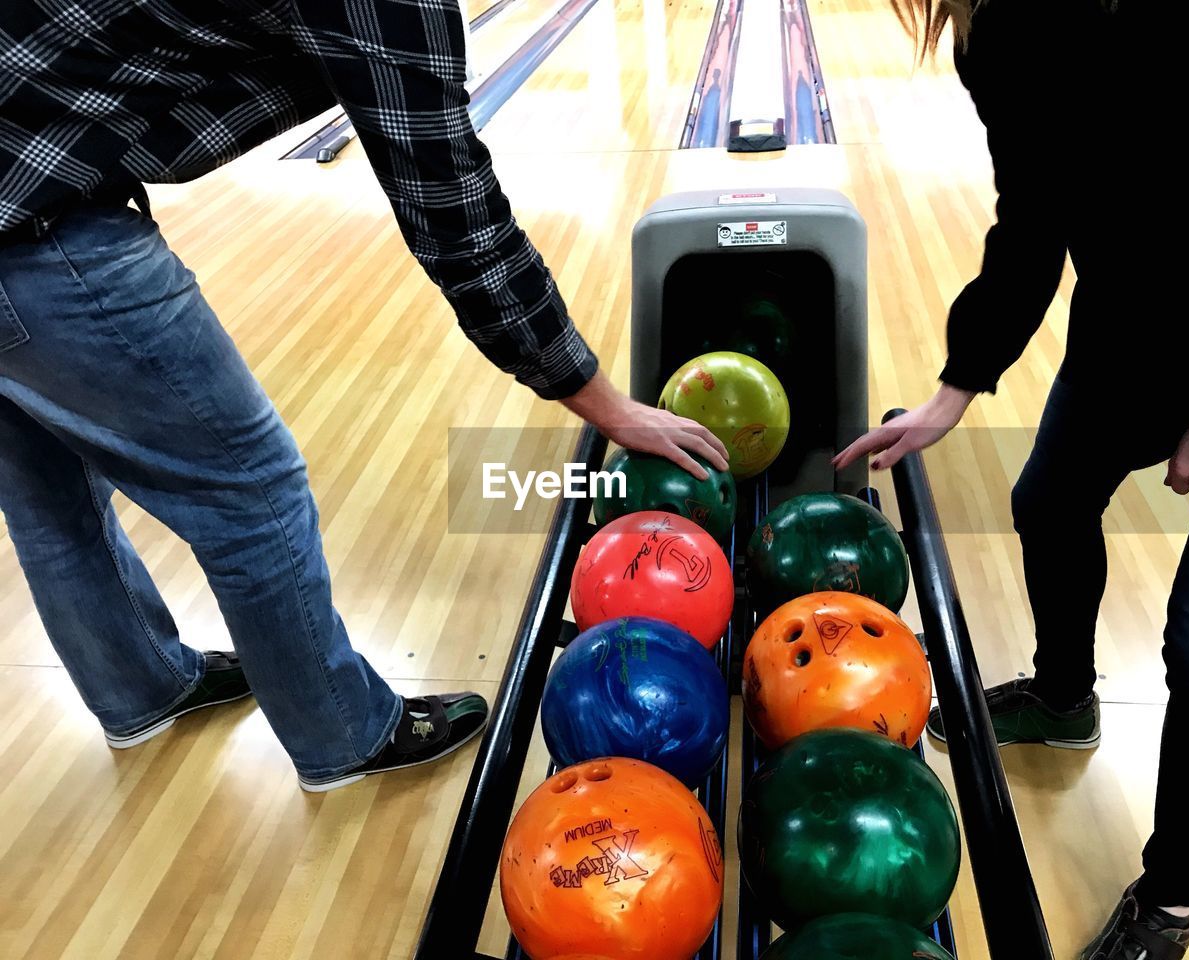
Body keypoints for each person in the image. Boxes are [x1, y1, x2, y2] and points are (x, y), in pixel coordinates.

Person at [0, 2, 727, 794]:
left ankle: (142, 689)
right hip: (42, 236)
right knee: (252, 496)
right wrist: (604, 402)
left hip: (21, 188)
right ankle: (344, 737)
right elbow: (459, 222)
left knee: (48, 494)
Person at [837, 1, 1189, 957]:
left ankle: (1171, 904)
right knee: (1047, 501)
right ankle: (1065, 695)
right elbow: (1034, 216)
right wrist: (957, 384)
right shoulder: (994, 30)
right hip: (1138, 330)